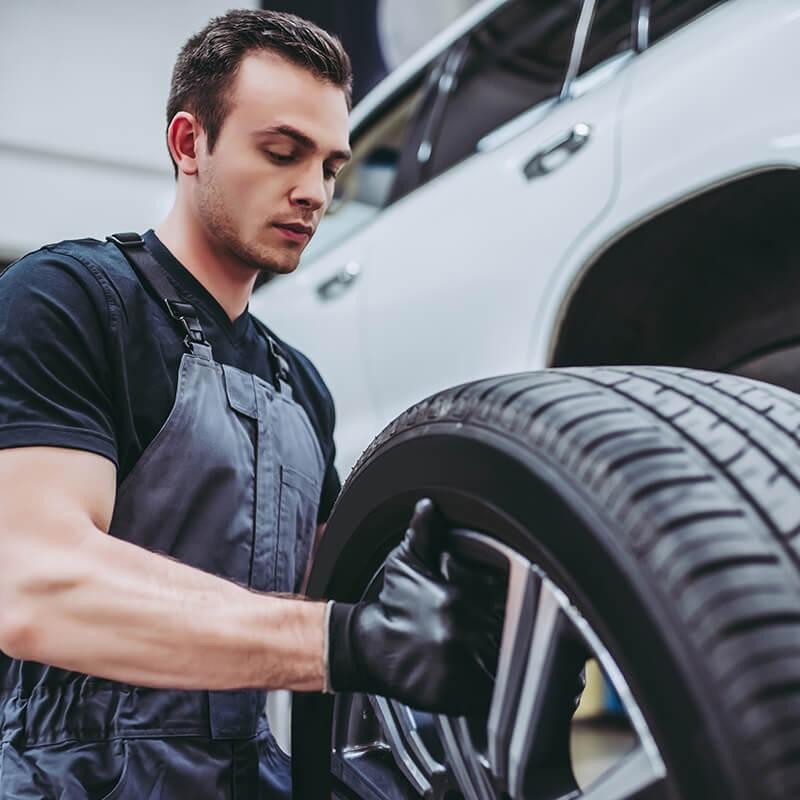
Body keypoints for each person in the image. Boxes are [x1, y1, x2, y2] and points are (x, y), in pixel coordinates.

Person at [0, 9, 500, 797]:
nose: (313, 193)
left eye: (332, 167)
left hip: (246, 775)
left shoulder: (299, 385)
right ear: (188, 143)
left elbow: (340, 595)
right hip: (68, 775)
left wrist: (483, 639)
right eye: (281, 153)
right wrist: (340, 643)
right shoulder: (70, 301)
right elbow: (34, 584)